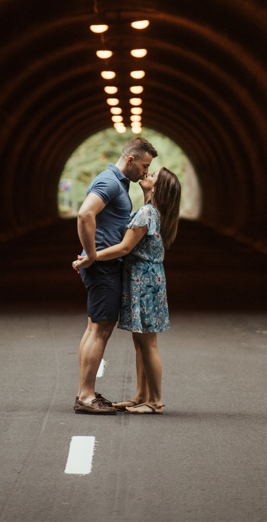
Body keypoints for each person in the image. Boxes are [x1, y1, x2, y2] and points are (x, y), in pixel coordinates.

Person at [74, 167, 181, 415]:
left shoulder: (146, 213)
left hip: (144, 282)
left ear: (158, 188)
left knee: (148, 343)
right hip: (146, 281)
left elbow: (123, 248)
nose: (148, 174)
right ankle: (141, 396)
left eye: (153, 175)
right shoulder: (151, 212)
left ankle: (155, 401)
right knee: (140, 342)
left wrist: (89, 258)